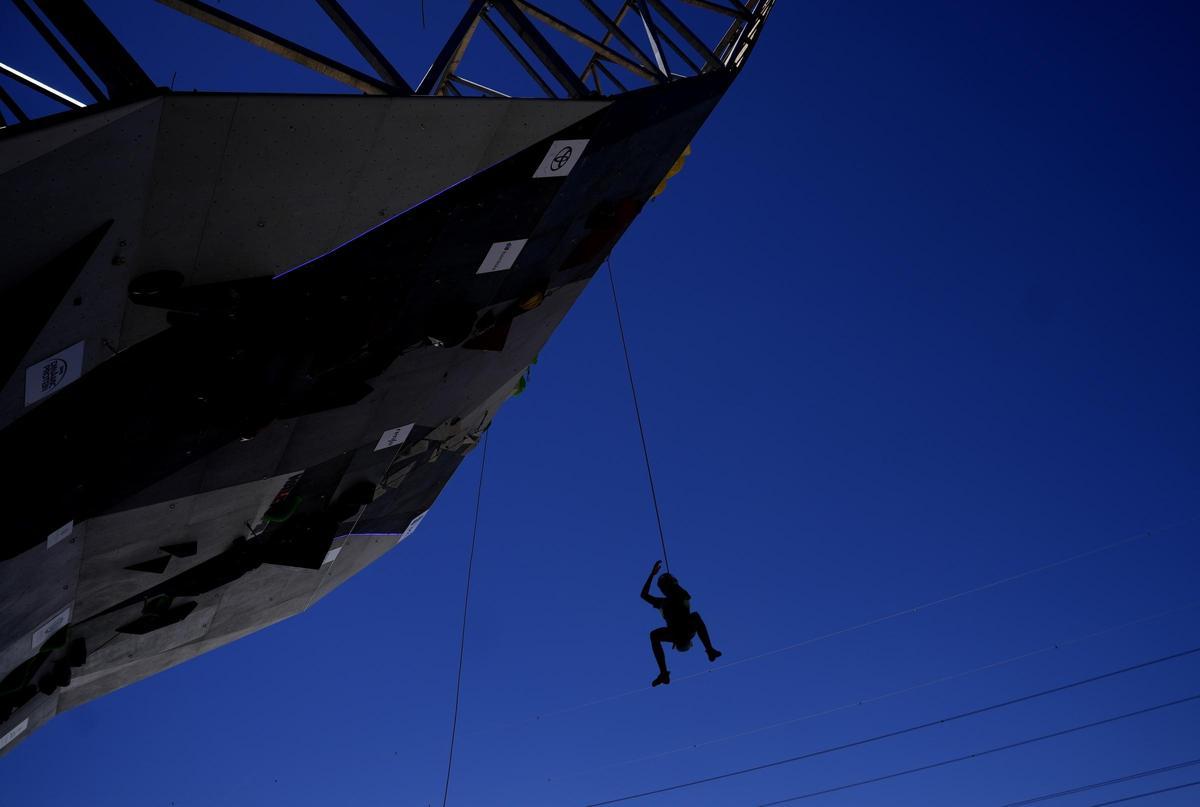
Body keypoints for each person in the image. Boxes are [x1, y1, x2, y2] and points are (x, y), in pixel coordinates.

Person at [640, 560, 721, 686]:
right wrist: (670, 581)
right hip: (682, 629)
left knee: (654, 635)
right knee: (695, 616)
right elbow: (645, 595)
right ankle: (709, 650)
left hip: (676, 632)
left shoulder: (663, 602)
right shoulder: (678, 596)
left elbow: (644, 595)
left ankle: (663, 673)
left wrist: (652, 575)